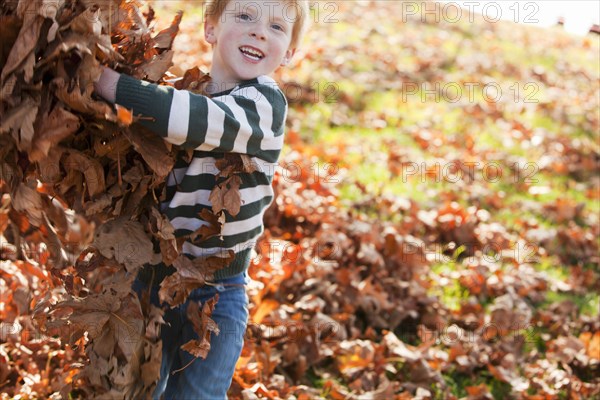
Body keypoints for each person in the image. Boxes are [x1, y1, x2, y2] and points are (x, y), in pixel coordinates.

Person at [94, 0, 309, 398]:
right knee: (133, 389)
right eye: (245, 16)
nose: (259, 31)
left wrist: (106, 83)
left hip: (218, 293)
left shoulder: (264, 103)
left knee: (197, 394)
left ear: (290, 54)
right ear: (210, 28)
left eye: (277, 27)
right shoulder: (183, 93)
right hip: (151, 282)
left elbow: (190, 120)